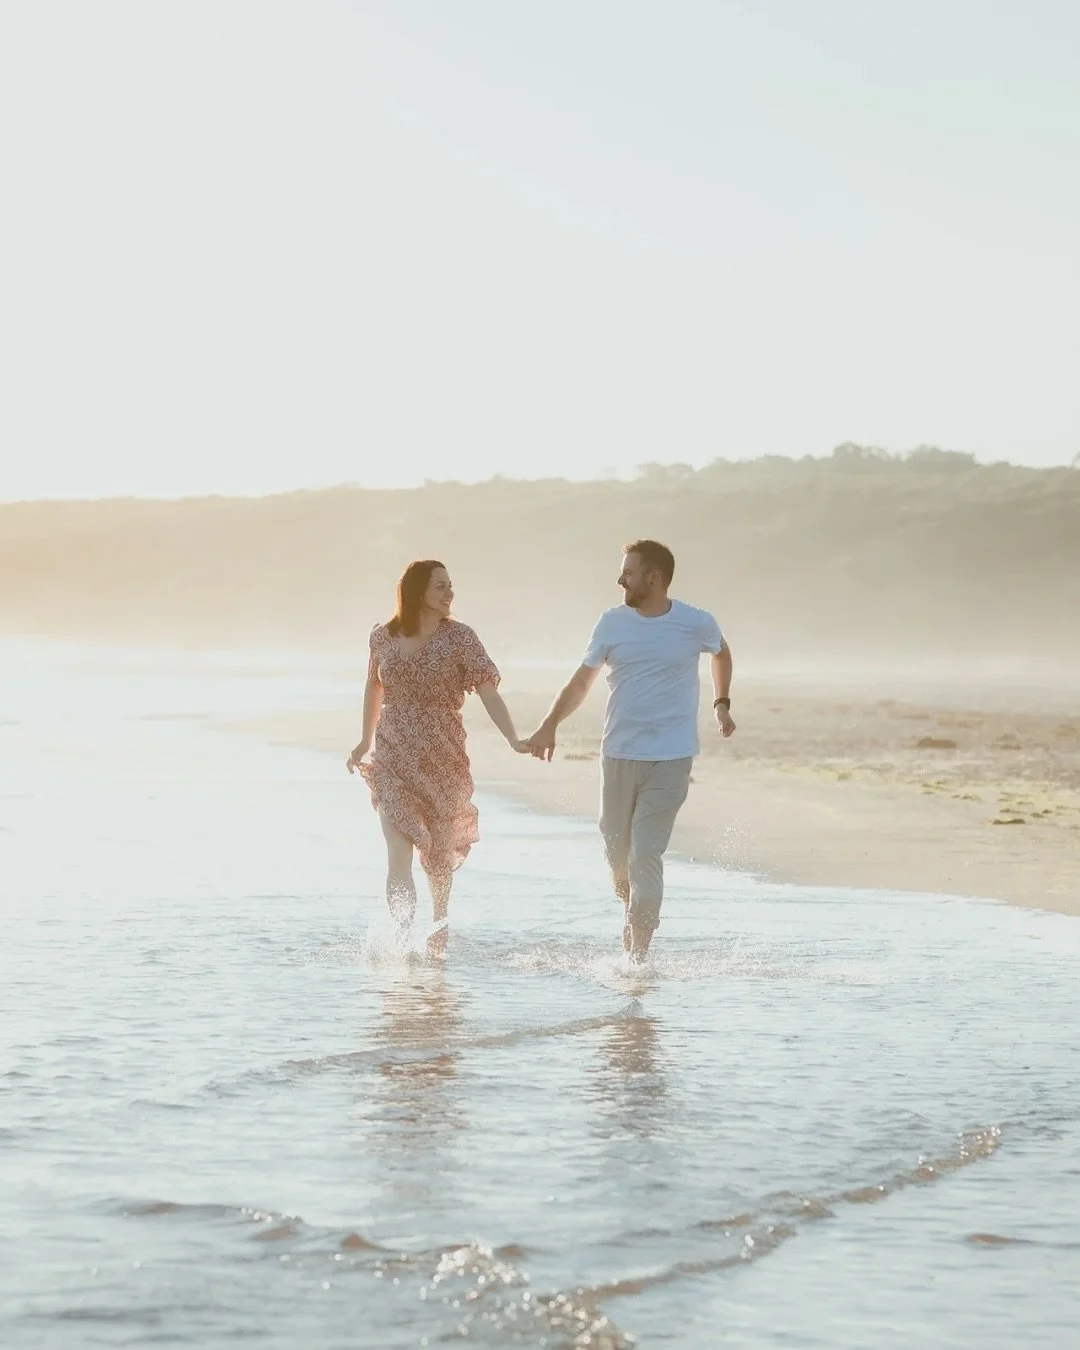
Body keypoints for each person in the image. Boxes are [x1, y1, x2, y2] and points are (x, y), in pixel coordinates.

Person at [526, 540, 735, 964]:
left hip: (672, 757)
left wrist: (721, 703)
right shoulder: (611, 623)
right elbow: (582, 681)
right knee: (617, 857)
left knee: (646, 854)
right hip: (619, 753)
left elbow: (721, 651)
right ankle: (632, 912)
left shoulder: (695, 622)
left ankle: (638, 956)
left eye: (629, 572)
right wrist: (549, 724)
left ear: (654, 577)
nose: (620, 580)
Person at [347, 559, 528, 958]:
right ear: (417, 592)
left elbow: (488, 691)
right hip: (393, 754)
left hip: (442, 757)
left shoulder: (460, 638)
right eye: (440, 586)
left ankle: (439, 925)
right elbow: (374, 687)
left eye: (450, 585)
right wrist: (363, 741)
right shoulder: (382, 637)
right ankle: (401, 939)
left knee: (439, 857)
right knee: (398, 850)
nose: (449, 593)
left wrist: (513, 737)